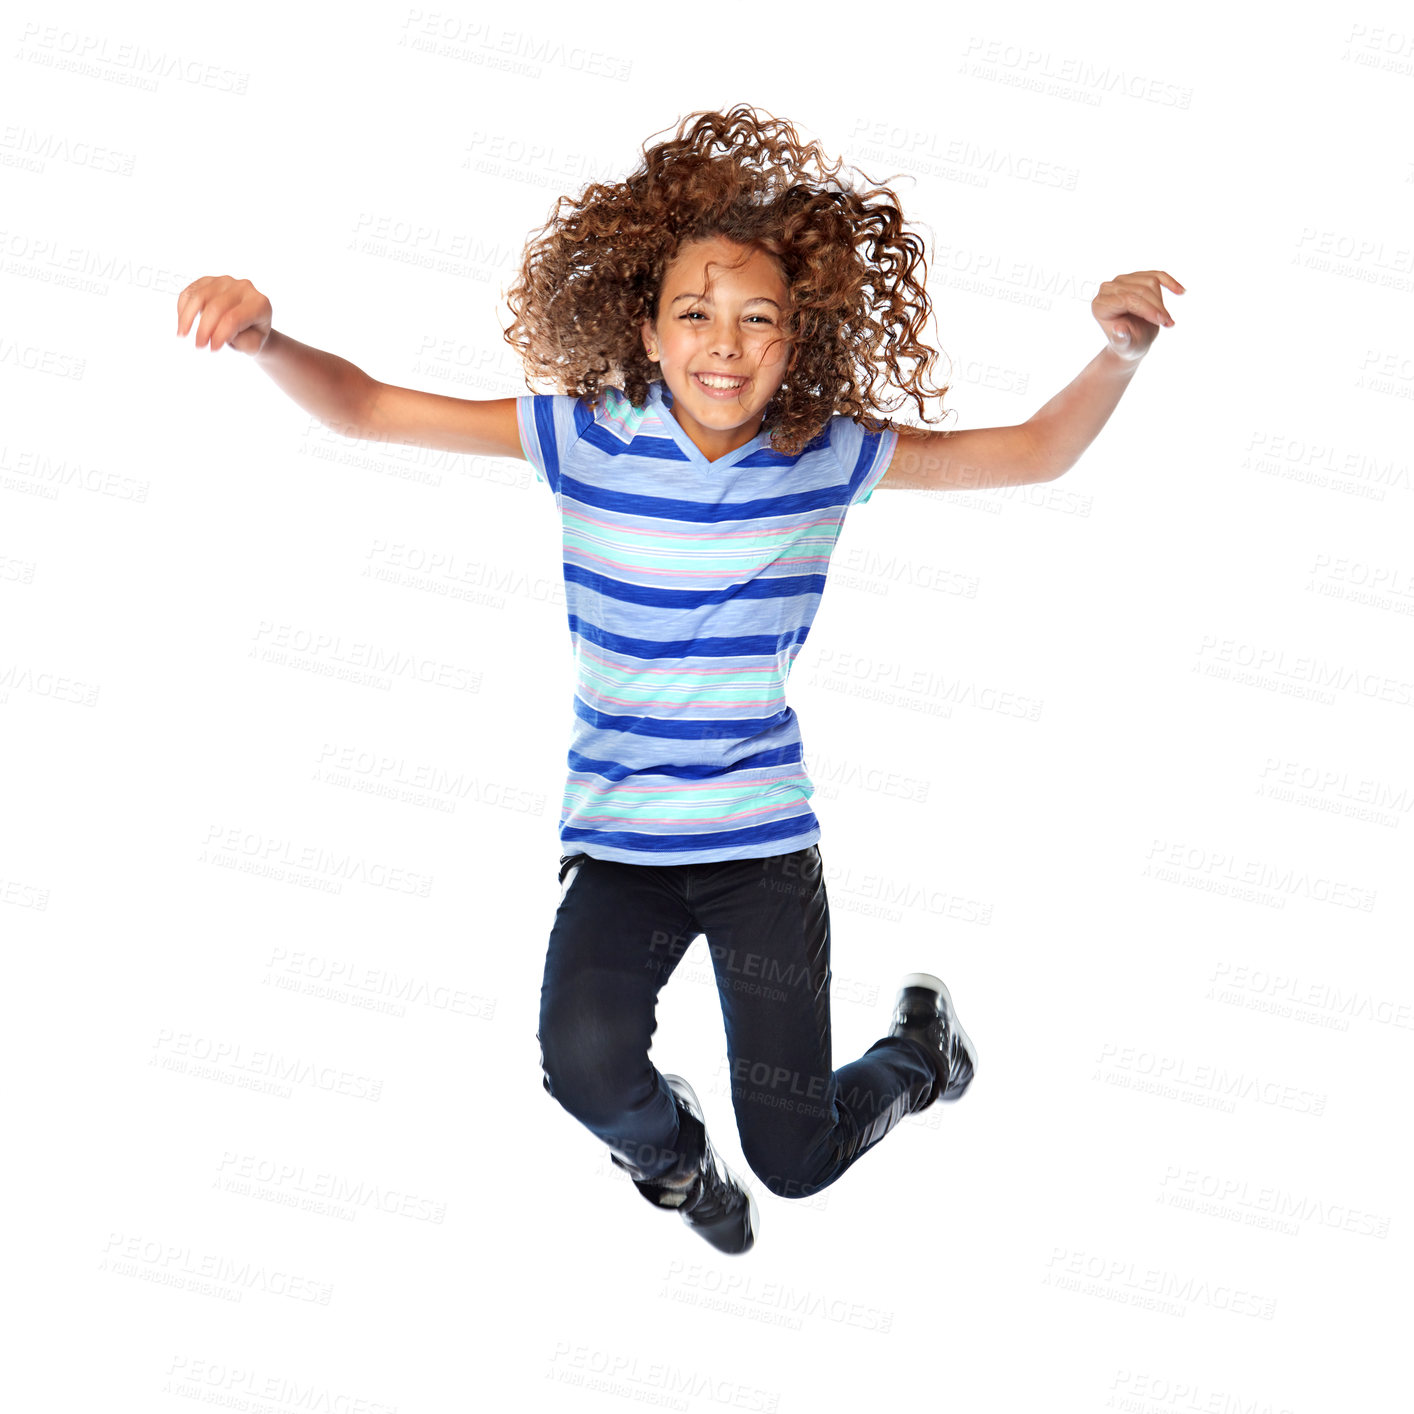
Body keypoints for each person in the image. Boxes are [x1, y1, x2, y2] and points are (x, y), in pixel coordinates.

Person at [176, 103, 1183, 1258]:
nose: (723, 343)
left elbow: (1035, 452)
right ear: (645, 331)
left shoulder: (828, 453)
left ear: (797, 340)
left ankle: (921, 1054)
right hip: (622, 843)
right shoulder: (584, 436)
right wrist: (265, 344)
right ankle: (671, 1160)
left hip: (756, 845)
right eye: (694, 314)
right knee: (585, 1066)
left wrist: (1118, 351)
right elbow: (363, 407)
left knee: (796, 1160)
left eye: (758, 320)